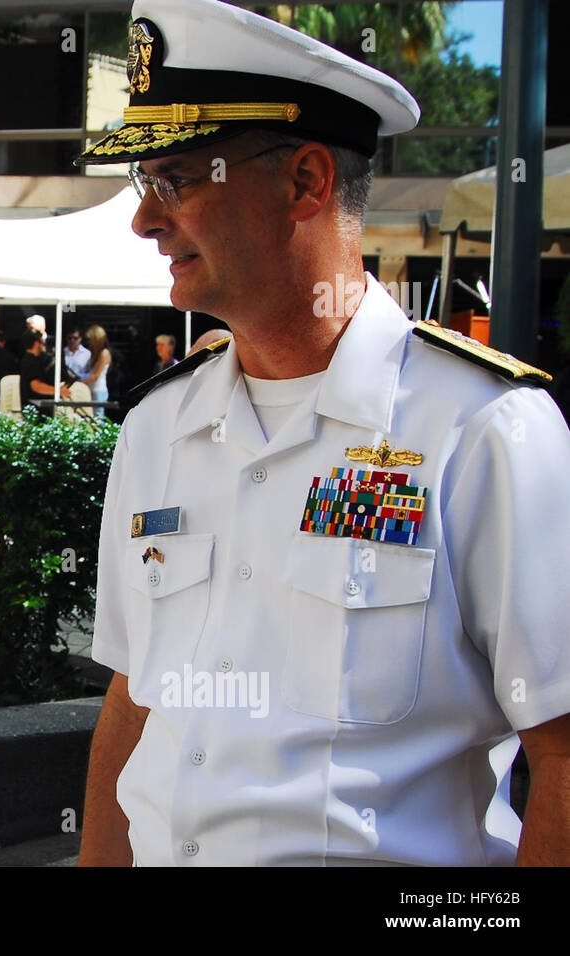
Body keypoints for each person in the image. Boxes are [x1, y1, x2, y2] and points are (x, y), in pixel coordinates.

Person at [77, 0, 570, 867]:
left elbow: (561, 753)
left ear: (305, 181)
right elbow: (132, 702)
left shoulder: (483, 428)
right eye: (142, 185)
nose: (145, 222)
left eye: (177, 180)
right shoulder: (157, 428)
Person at [19, 330, 70, 416]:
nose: (43, 345)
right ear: (36, 343)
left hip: (39, 409)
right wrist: (58, 391)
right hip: (36, 410)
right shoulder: (30, 362)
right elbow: (35, 385)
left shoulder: (33, 360)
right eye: (41, 342)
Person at [82, 324, 113, 419]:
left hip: (98, 390)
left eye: (91, 339)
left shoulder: (104, 353)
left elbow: (96, 375)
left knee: (98, 419)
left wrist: (81, 383)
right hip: (91, 389)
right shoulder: (95, 353)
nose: (89, 342)